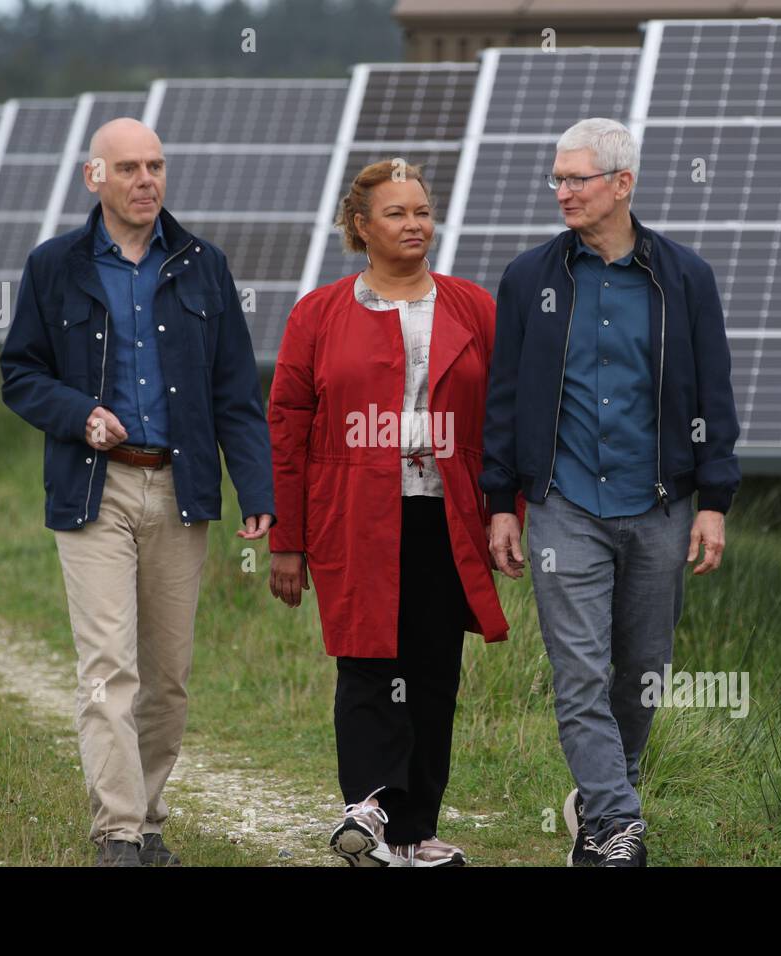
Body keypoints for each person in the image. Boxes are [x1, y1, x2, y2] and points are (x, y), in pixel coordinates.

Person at [0, 118, 274, 867]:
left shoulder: (203, 265)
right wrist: (76, 414)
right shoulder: (54, 266)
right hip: (95, 490)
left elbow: (234, 390)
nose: (145, 180)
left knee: (169, 677)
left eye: (154, 165)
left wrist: (255, 485)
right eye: (128, 168)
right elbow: (19, 374)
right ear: (95, 177)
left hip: (181, 487)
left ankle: (149, 819)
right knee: (108, 666)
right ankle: (118, 832)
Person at [480, 117, 741, 867]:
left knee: (644, 672)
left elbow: (713, 396)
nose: (561, 192)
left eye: (576, 180)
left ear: (621, 184)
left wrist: (715, 500)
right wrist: (502, 498)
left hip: (660, 505)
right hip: (563, 505)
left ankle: (599, 808)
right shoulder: (530, 278)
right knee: (580, 670)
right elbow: (505, 397)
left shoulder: (685, 278)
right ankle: (622, 824)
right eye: (556, 179)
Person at [268, 159, 515, 867]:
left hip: (446, 514)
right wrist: (288, 539)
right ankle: (367, 807)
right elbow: (286, 426)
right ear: (361, 226)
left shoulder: (472, 308)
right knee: (369, 658)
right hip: (352, 513)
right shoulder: (318, 313)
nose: (415, 225)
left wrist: (506, 511)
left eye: (423, 211)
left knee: (435, 667)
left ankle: (413, 832)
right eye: (397, 213)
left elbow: (504, 422)